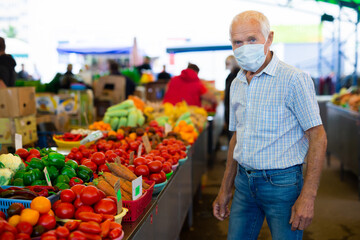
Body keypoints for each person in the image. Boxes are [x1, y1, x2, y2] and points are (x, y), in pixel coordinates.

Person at [212, 11, 327, 240]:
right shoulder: (237, 83)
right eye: (238, 42)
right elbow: (236, 137)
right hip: (244, 183)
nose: (244, 47)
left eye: (252, 39)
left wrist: (308, 196)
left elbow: (318, 136)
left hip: (283, 185)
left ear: (270, 38)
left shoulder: (294, 79)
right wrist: (226, 187)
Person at [224, 55, 240, 141]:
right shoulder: (230, 76)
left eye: (228, 63)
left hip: (234, 111)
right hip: (229, 109)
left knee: (234, 138)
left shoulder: (238, 76)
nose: (226, 65)